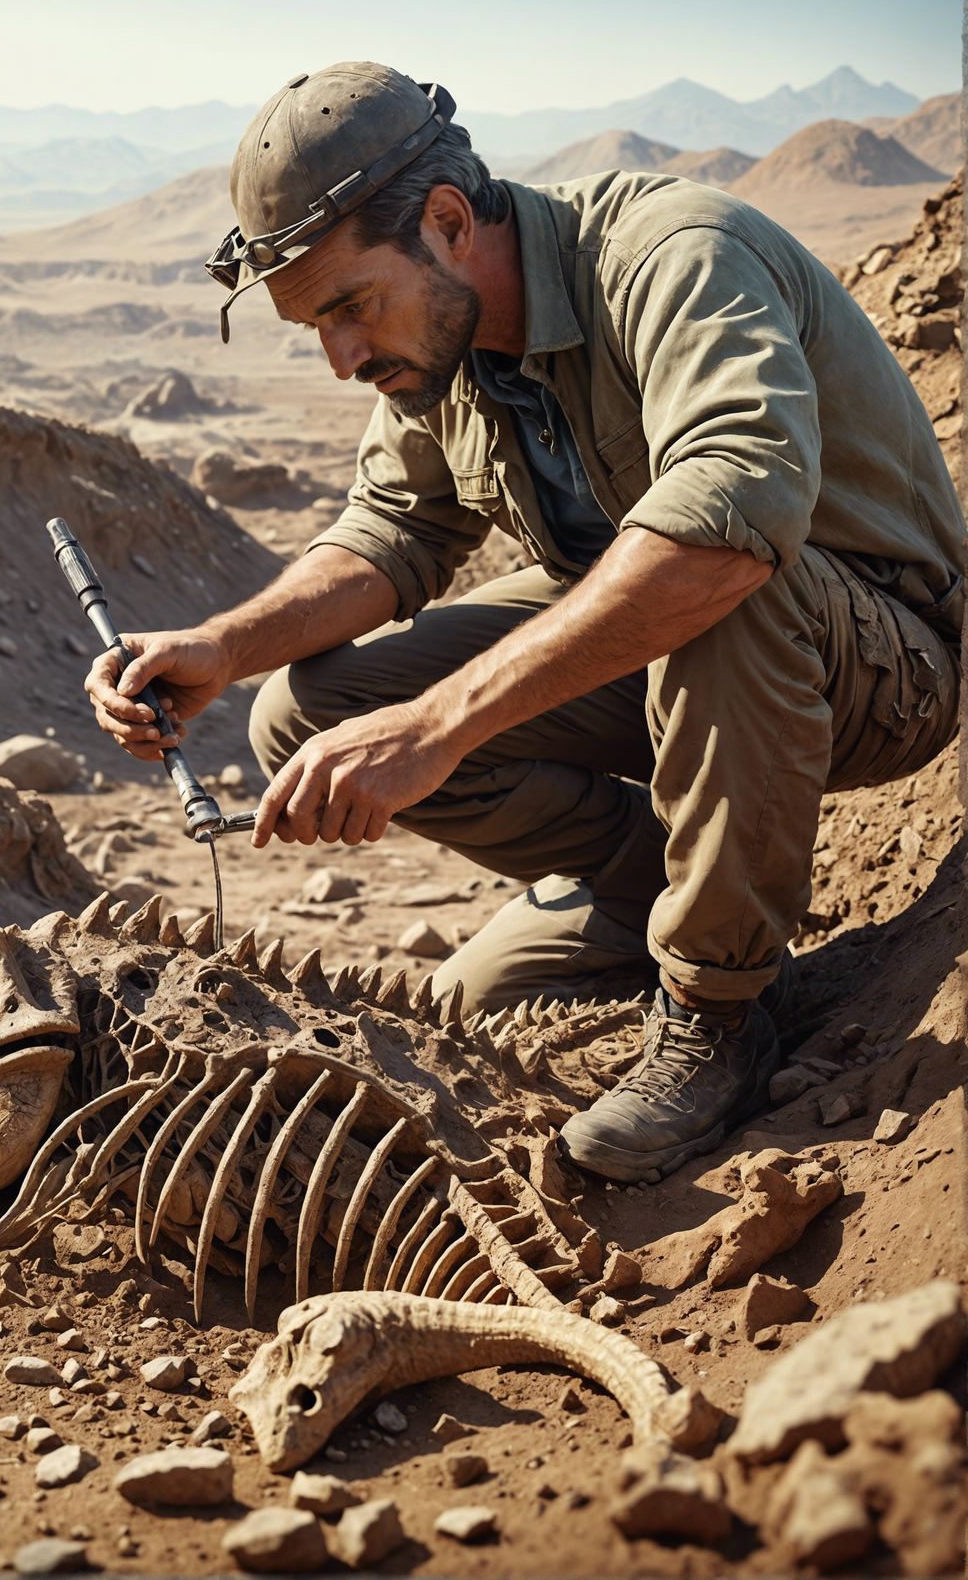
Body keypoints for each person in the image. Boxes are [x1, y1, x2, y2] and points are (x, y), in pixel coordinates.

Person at [84, 61, 963, 1184]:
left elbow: (730, 519)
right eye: (314, 328)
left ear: (448, 222)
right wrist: (224, 645)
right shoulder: (438, 347)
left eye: (350, 307)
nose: (343, 358)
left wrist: (436, 727)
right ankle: (673, 890)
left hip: (873, 662)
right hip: (670, 667)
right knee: (308, 713)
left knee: (718, 564)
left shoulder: (671, 255)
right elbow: (393, 528)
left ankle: (718, 1014)